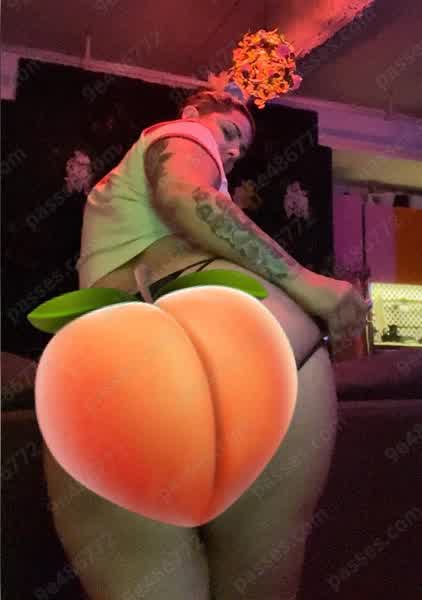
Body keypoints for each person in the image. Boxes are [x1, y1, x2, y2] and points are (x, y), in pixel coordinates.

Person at [42, 87, 369, 600]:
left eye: (241, 147)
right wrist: (310, 284)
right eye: (229, 132)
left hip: (124, 354)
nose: (232, 150)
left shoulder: (156, 177)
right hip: (268, 345)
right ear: (194, 113)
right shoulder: (182, 133)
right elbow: (183, 195)